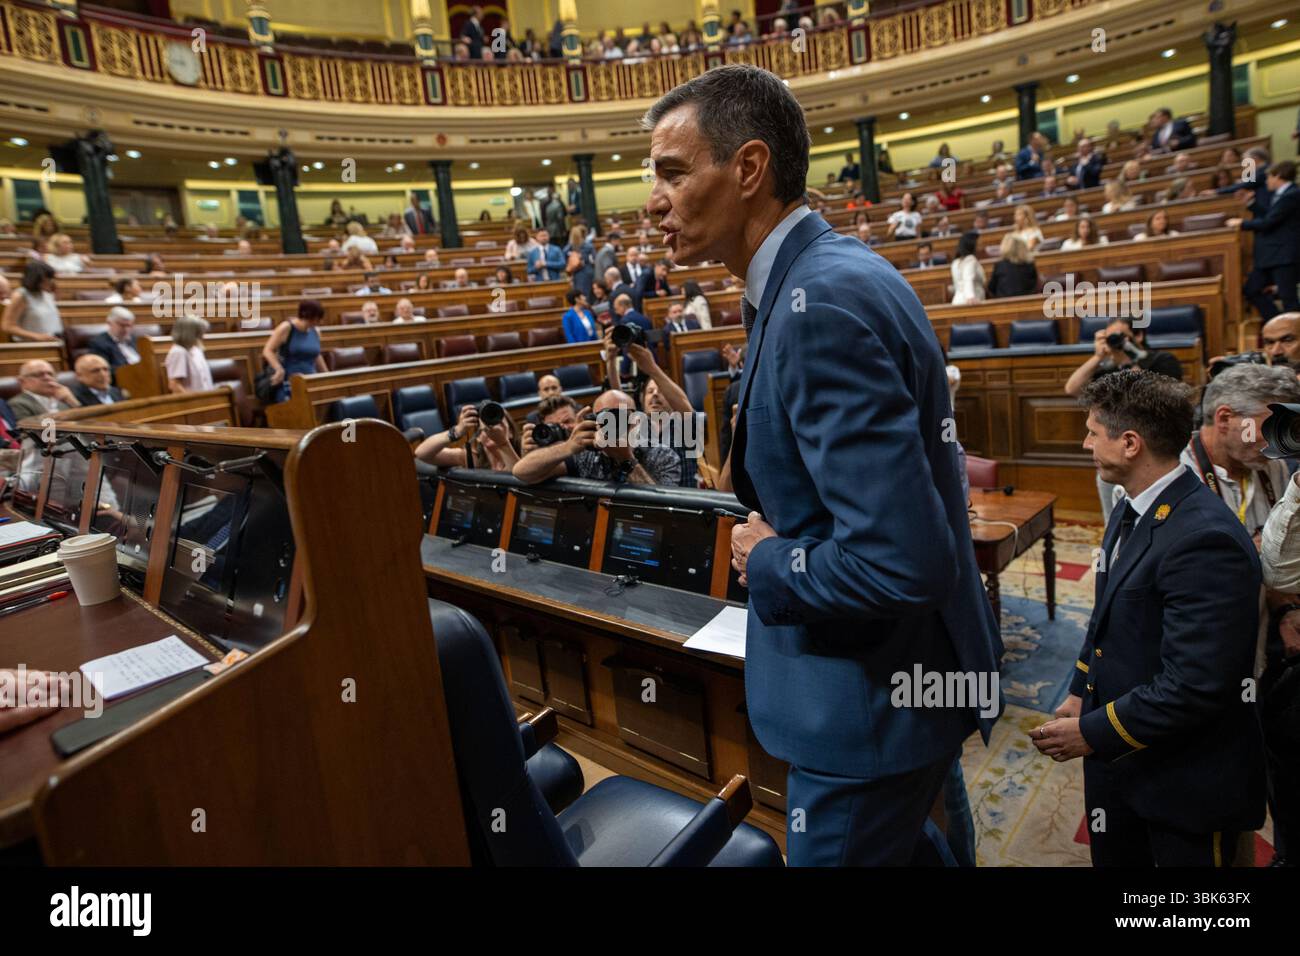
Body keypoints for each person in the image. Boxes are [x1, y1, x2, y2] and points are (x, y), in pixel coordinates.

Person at [641, 64, 1000, 866]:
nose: (652, 201)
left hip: (867, 710)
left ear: (748, 168)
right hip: (896, 691)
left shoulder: (819, 306)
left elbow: (900, 561)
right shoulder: (818, 278)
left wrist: (767, 559)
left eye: (672, 172)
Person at [1034, 369, 1264, 866]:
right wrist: (1079, 691)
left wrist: (1092, 733)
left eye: (1094, 432)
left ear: (1130, 443)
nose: (1084, 443)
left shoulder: (1205, 540)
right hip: (1128, 754)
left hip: (1184, 779)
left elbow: (1196, 685)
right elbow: (1108, 614)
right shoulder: (1133, 505)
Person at [513, 388, 681, 486]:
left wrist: (626, 460)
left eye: (619, 416)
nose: (612, 423)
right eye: (604, 418)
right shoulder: (586, 455)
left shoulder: (663, 455)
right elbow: (521, 472)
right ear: (594, 421)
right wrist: (569, 447)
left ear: (637, 421)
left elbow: (662, 511)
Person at [1228, 160, 1299, 320]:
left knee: (1289, 300)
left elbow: (1268, 222)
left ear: (1278, 176)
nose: (1267, 181)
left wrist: (1241, 223)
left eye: (1269, 177)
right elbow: (1270, 216)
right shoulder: (1281, 195)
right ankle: (1277, 325)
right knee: (1251, 289)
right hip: (1270, 256)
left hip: (1284, 256)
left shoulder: (1292, 194)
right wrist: (1251, 203)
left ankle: (1293, 337)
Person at [415, 402, 520, 473]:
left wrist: (503, 443)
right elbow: (422, 453)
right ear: (478, 437)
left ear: (510, 432)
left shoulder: (523, 453)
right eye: (485, 425)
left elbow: (519, 478)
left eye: (498, 423)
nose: (491, 428)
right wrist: (456, 431)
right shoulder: (471, 458)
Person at [262, 300, 327, 403]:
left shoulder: (316, 331)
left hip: (311, 381)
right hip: (289, 383)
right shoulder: (287, 327)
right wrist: (279, 369)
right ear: (310, 316)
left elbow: (316, 354)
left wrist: (327, 376)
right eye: (318, 318)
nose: (320, 322)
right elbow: (267, 350)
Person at [2, 260, 61, 342]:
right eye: (47, 278)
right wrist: (36, 336)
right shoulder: (21, 295)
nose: (50, 281)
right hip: (31, 347)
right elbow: (7, 326)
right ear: (35, 278)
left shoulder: (46, 293)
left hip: (51, 343)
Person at [7, 360, 80, 421]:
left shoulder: (65, 397)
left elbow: (84, 423)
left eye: (50, 374)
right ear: (22, 382)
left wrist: (72, 401)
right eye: (39, 375)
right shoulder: (18, 403)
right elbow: (27, 430)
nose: (47, 378)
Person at [164, 316, 215, 394]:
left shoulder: (196, 350)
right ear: (189, 334)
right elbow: (175, 385)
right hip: (192, 404)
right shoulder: (178, 352)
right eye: (198, 333)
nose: (202, 336)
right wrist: (194, 401)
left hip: (205, 400)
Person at [86, 306, 141, 372]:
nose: (126, 329)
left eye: (129, 325)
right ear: (109, 323)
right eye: (122, 325)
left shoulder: (135, 339)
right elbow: (105, 370)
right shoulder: (98, 344)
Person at [986, 234, 1037, 298]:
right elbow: (1034, 287)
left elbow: (991, 288)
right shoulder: (1029, 265)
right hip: (1027, 303)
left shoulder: (1000, 265)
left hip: (1004, 304)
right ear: (1023, 248)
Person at [950, 231, 986, 305]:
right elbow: (968, 278)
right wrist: (970, 297)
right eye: (979, 242)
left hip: (957, 301)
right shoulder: (970, 259)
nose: (981, 244)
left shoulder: (955, 262)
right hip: (969, 303)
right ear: (972, 244)